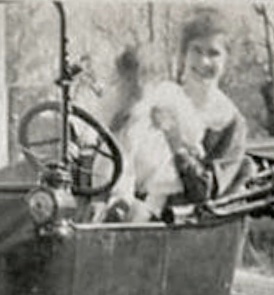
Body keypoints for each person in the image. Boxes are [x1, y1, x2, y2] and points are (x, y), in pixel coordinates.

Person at [104, 7, 247, 221]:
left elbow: (205, 195)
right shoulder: (160, 94)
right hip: (132, 207)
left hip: (186, 225)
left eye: (214, 53)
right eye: (196, 51)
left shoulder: (229, 122)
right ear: (184, 55)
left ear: (227, 60)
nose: (203, 62)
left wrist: (175, 139)